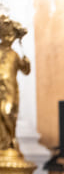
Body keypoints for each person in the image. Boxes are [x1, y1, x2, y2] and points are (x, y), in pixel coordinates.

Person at [0, 14, 29, 151]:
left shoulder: (14, 55)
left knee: (6, 112)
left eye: (10, 35)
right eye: (5, 34)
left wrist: (26, 63)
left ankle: (11, 140)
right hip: (0, 89)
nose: (7, 38)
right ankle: (4, 143)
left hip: (10, 89)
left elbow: (25, 70)